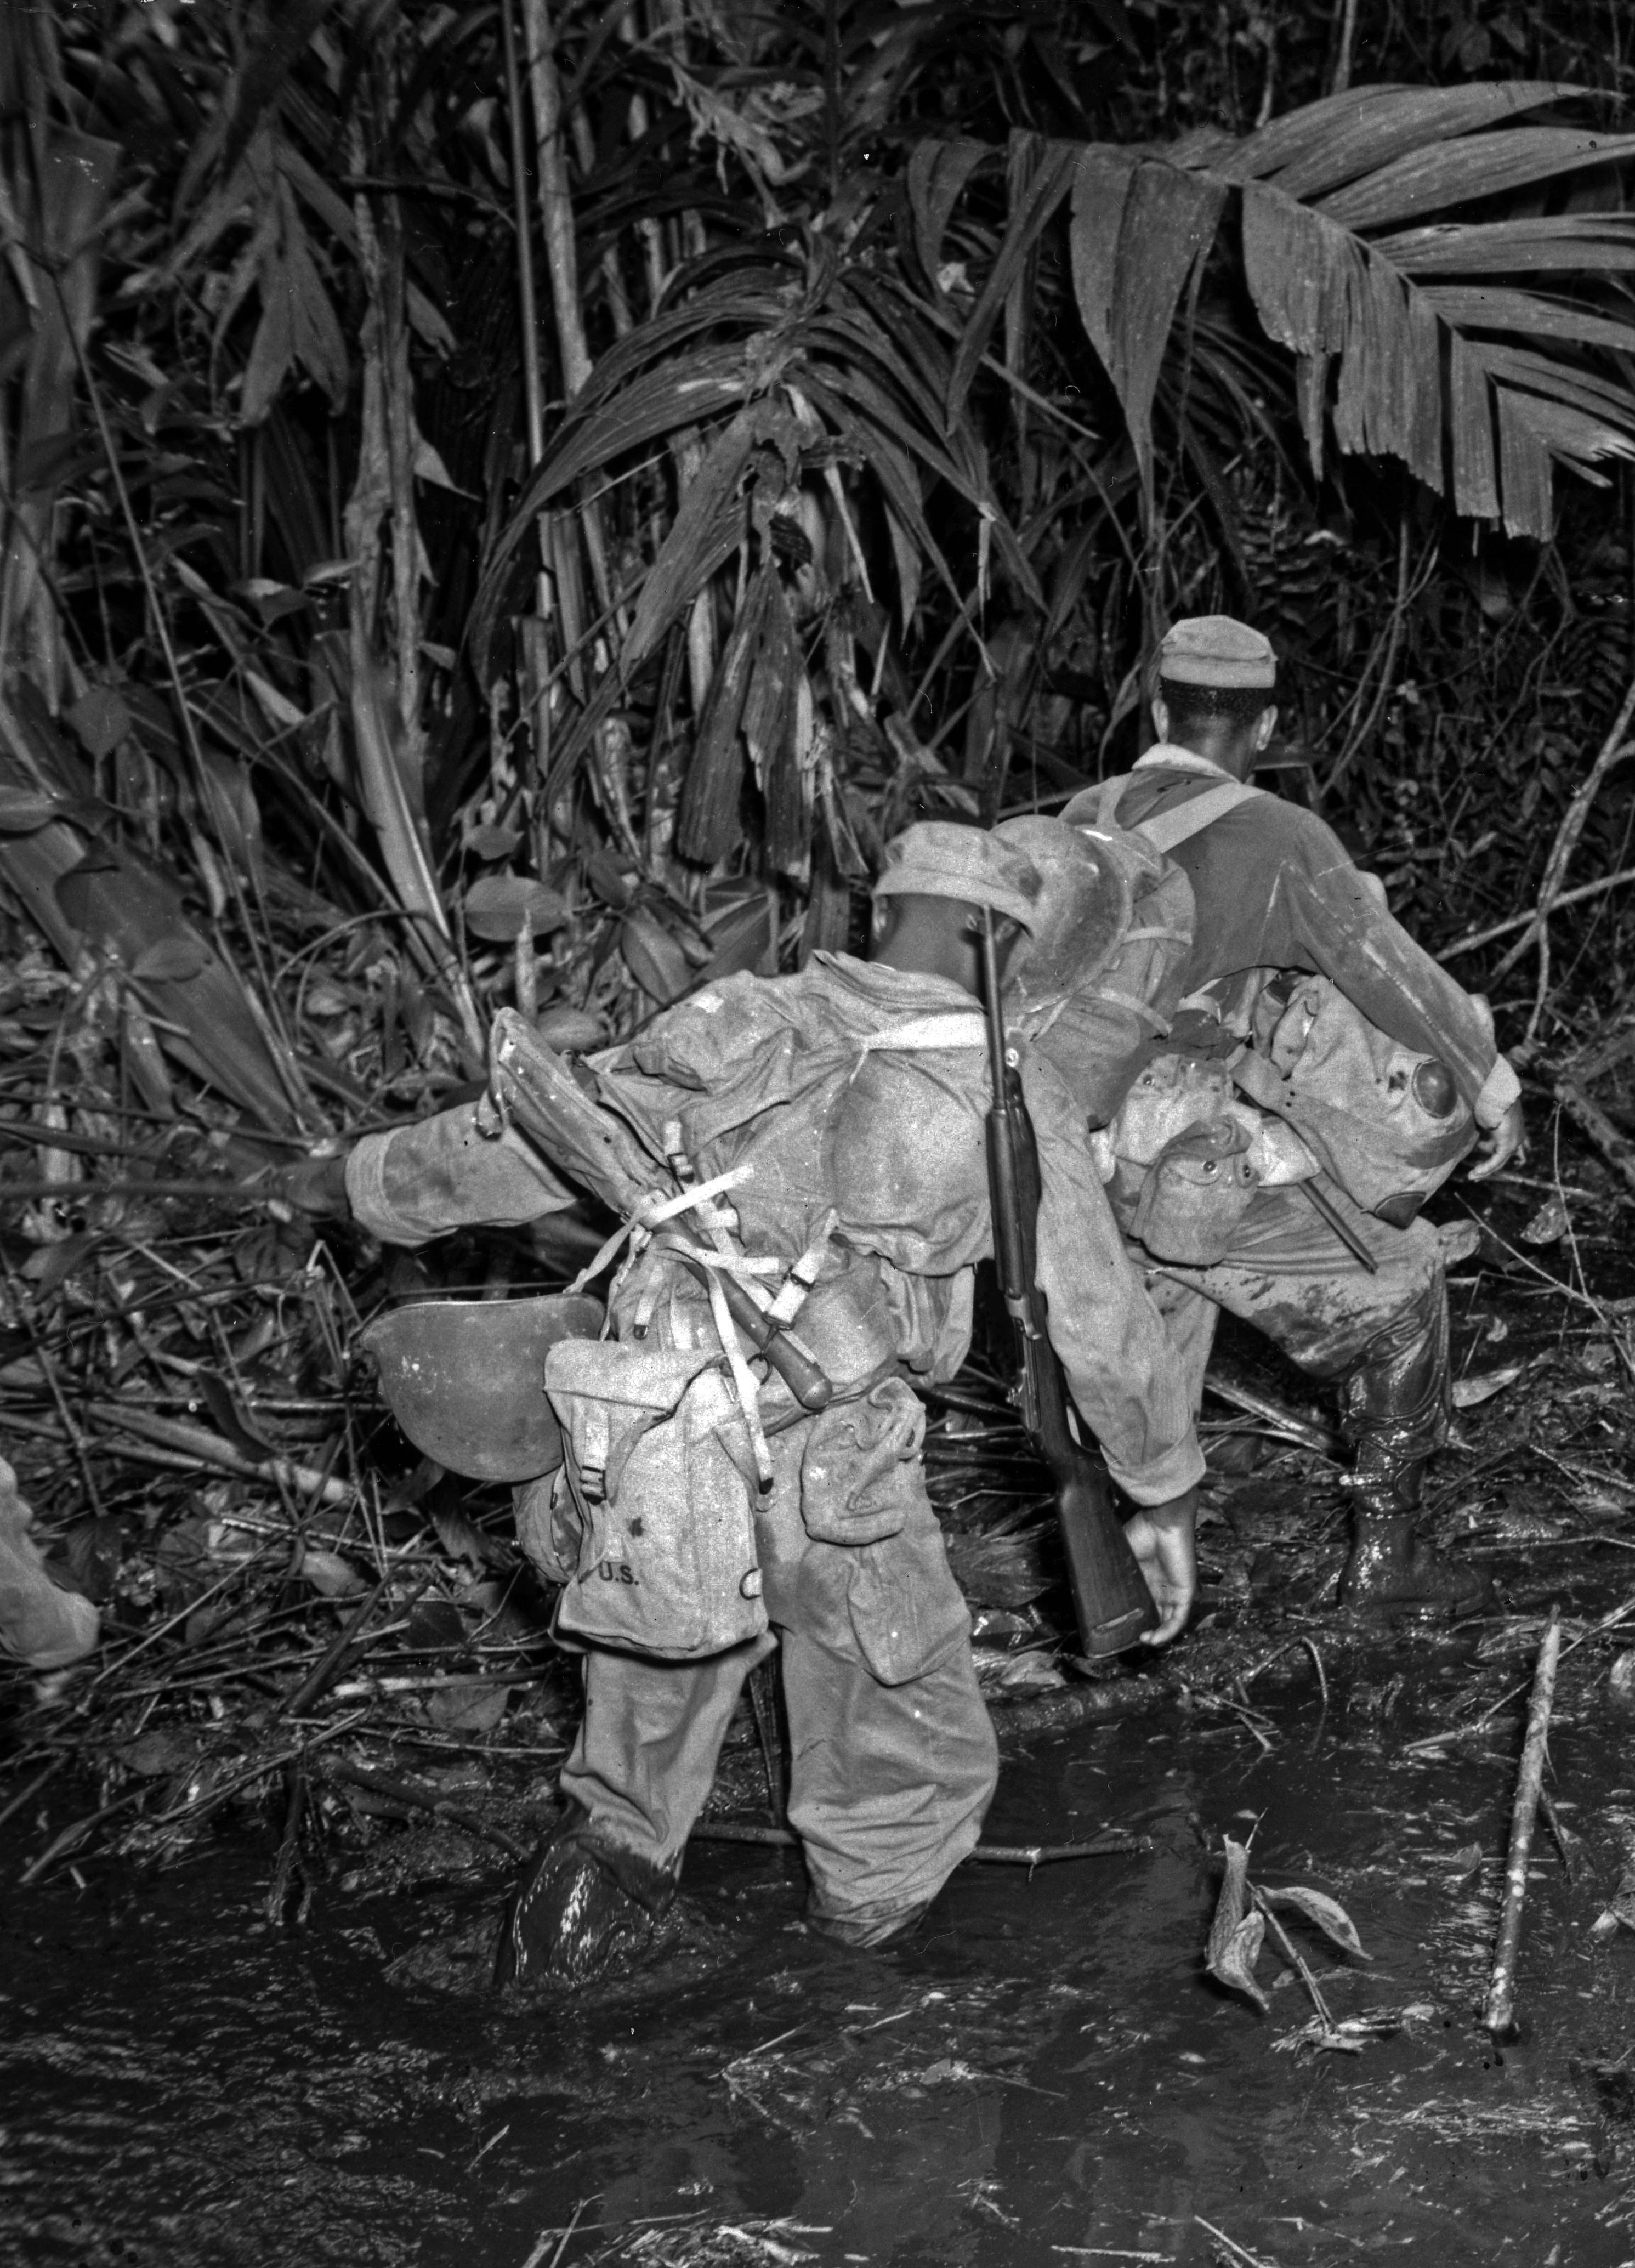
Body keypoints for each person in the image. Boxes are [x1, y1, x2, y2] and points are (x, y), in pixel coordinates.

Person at [290, 824, 1205, 1978]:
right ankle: (863, 2035)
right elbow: (1104, 1327)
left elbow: (519, 1153)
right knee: (901, 1779)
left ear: (883, 917)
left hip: (652, 1441)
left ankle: (552, 2005)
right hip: (836, 1472)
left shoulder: (728, 1024)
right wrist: (1162, 1489)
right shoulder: (1008, 1094)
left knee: (628, 1787)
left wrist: (358, 1181)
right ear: (1009, 946)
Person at [1062, 615, 1523, 1611]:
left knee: (1158, 1334)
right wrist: (1492, 1088)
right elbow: (1388, 971)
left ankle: (1139, 1587)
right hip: (1178, 1148)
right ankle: (1386, 1567)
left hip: (1068, 1157)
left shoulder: (1080, 821)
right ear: (1264, 727)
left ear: (1155, 711)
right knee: (1403, 1289)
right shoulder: (1279, 837)